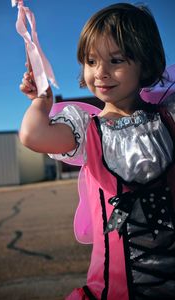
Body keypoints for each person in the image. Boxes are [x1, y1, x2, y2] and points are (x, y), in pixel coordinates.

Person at [19, 3, 175, 299]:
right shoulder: (85, 128)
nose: (100, 72)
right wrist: (41, 99)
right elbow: (33, 135)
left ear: (145, 63)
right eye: (91, 61)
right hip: (114, 291)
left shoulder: (168, 117)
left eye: (115, 60)